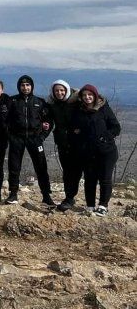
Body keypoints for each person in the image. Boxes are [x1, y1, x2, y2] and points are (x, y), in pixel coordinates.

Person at [70, 84, 120, 216]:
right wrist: (76, 133)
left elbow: (116, 127)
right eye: (85, 95)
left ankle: (103, 205)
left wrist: (105, 138)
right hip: (87, 152)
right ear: (81, 97)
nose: (87, 97)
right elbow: (74, 128)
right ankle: (90, 205)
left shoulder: (103, 108)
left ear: (95, 95)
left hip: (106, 151)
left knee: (105, 179)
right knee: (90, 179)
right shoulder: (79, 111)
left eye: (90, 94)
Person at [6, 75, 53, 206]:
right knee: (14, 167)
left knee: (41, 167)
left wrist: (42, 136)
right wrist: (10, 136)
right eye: (22, 85)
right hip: (17, 138)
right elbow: (5, 120)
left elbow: (49, 121)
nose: (25, 87)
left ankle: (46, 196)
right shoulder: (12, 101)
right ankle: (13, 194)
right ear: (19, 87)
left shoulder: (40, 102)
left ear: (32, 86)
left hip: (35, 139)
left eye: (28, 85)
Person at [48, 80, 81, 212]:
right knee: (67, 172)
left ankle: (95, 202)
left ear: (67, 90)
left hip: (78, 143)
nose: (59, 93)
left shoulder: (76, 103)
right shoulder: (53, 105)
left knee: (78, 172)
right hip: (62, 143)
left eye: (62, 90)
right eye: (57, 90)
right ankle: (69, 198)